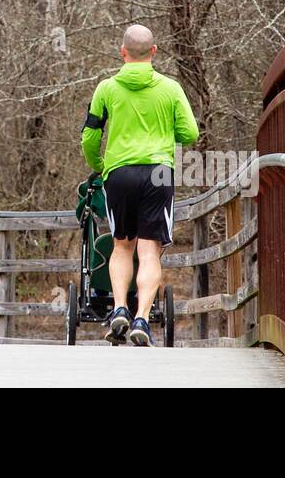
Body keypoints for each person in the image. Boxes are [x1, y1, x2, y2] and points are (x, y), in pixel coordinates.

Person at [80, 24, 199, 345]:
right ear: (154, 52)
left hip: (118, 173)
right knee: (150, 251)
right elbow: (190, 133)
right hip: (158, 172)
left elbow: (90, 136)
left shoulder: (106, 88)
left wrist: (100, 166)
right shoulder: (171, 88)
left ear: (123, 52)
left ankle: (118, 308)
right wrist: (161, 136)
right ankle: (142, 320)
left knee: (122, 244)